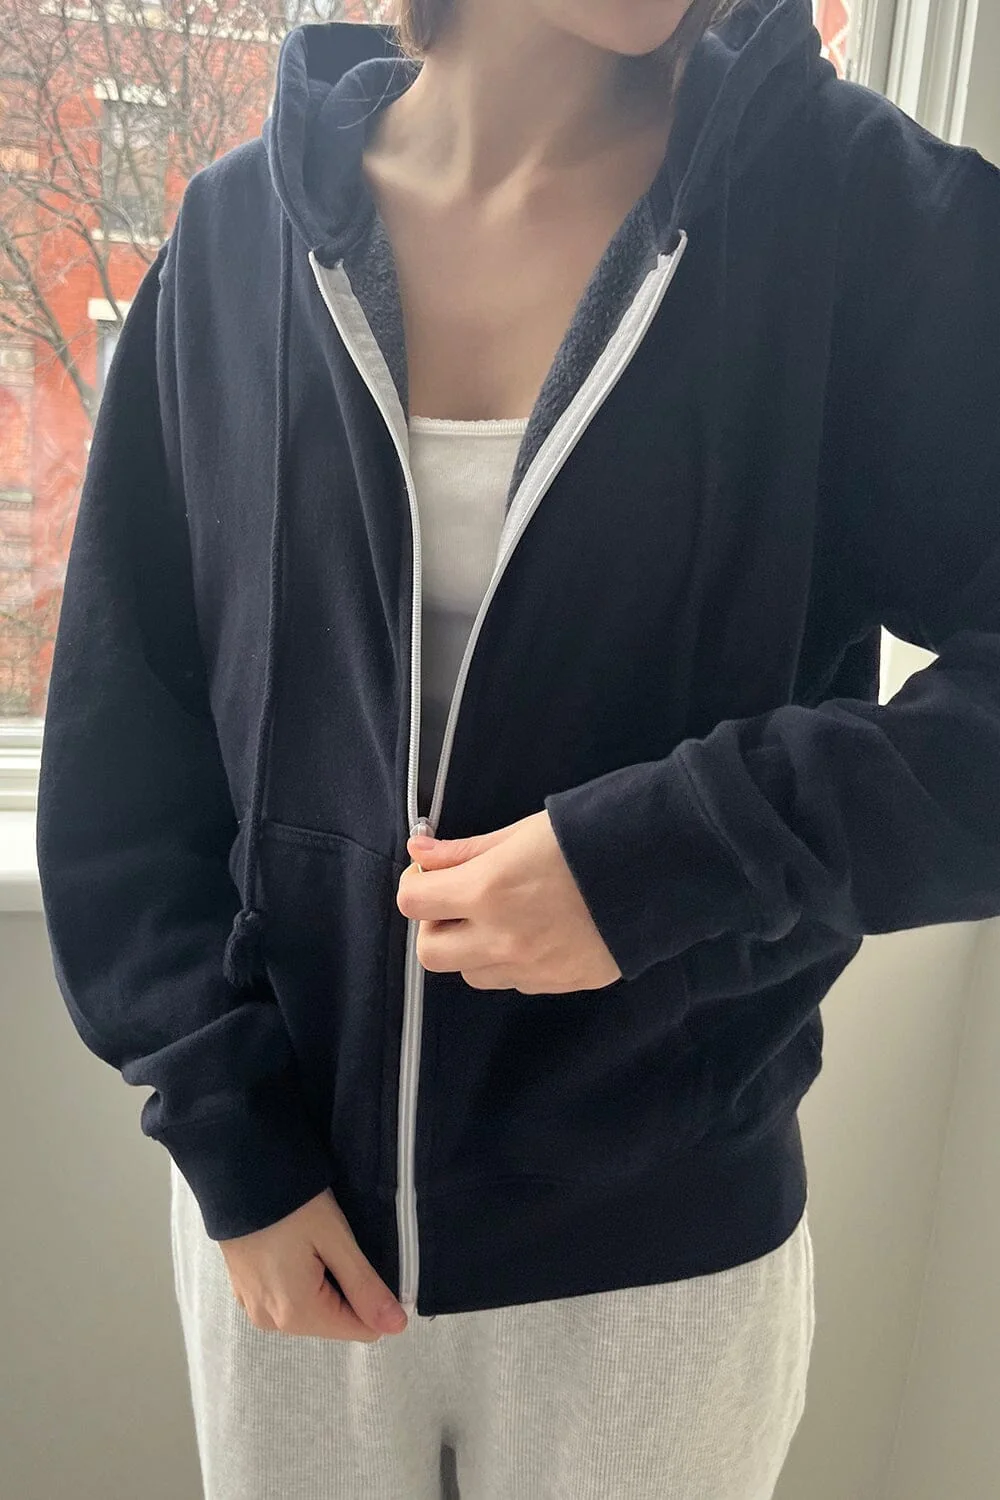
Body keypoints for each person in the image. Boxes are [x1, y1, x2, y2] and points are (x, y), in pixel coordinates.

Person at [35, 0, 1000, 1494]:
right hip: (295, 1233)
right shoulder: (238, 241)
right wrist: (228, 1132)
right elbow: (128, 745)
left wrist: (673, 854)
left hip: (660, 1265)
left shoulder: (863, 223)